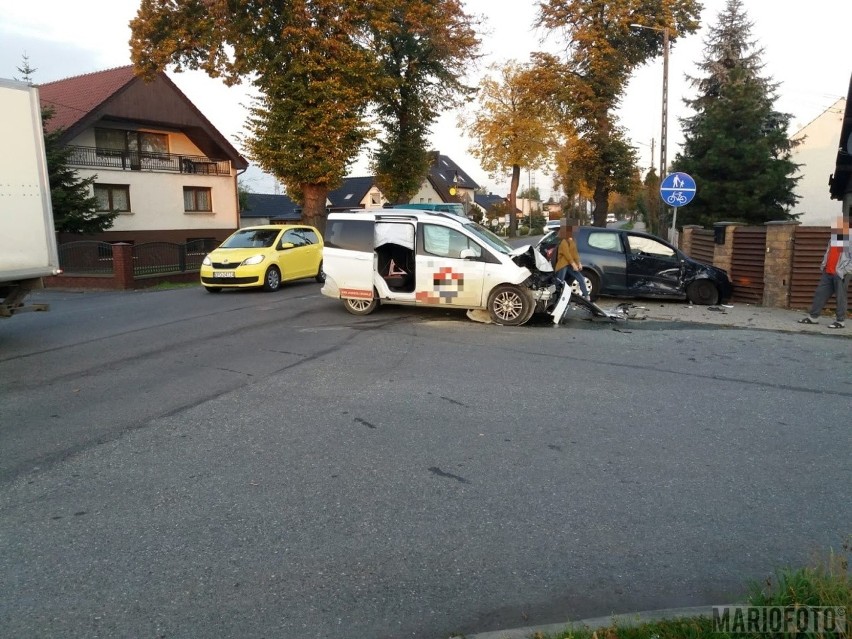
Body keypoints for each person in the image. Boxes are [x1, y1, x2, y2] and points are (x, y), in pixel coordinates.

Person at [798, 216, 851, 329]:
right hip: (828, 272)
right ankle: (813, 318)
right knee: (820, 294)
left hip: (841, 274)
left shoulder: (849, 240)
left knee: (840, 298)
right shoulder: (833, 240)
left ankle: (840, 321)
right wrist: (824, 264)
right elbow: (828, 253)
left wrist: (844, 270)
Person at [554, 223, 589, 300]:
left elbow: (575, 253)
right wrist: (574, 264)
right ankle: (556, 298)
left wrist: (579, 263)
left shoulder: (572, 240)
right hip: (562, 265)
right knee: (560, 282)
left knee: (581, 279)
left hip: (569, 264)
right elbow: (567, 255)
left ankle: (586, 296)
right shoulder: (563, 242)